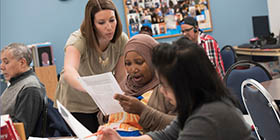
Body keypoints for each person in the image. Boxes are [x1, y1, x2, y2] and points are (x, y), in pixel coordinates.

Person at [97, 38, 255, 140]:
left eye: (165, 86)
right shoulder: (197, 107)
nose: (162, 91)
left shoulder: (208, 116)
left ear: (184, 85)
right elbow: (164, 135)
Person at [54, 0, 128, 133]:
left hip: (102, 103)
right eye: (101, 23)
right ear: (92, 24)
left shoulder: (121, 40)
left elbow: (121, 76)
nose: (109, 27)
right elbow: (69, 71)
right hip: (75, 105)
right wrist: (91, 88)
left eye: (112, 20)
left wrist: (110, 103)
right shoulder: (78, 40)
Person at [101, 34, 175, 136]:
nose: (133, 69)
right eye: (128, 63)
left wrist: (142, 111)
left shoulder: (168, 88)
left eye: (139, 62)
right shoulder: (125, 85)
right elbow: (105, 120)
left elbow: (180, 126)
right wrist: (105, 113)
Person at [0, 43, 46, 138]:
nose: (1, 66)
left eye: (6, 62)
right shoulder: (16, 83)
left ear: (22, 62)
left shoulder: (30, 88)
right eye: (1, 62)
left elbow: (22, 130)